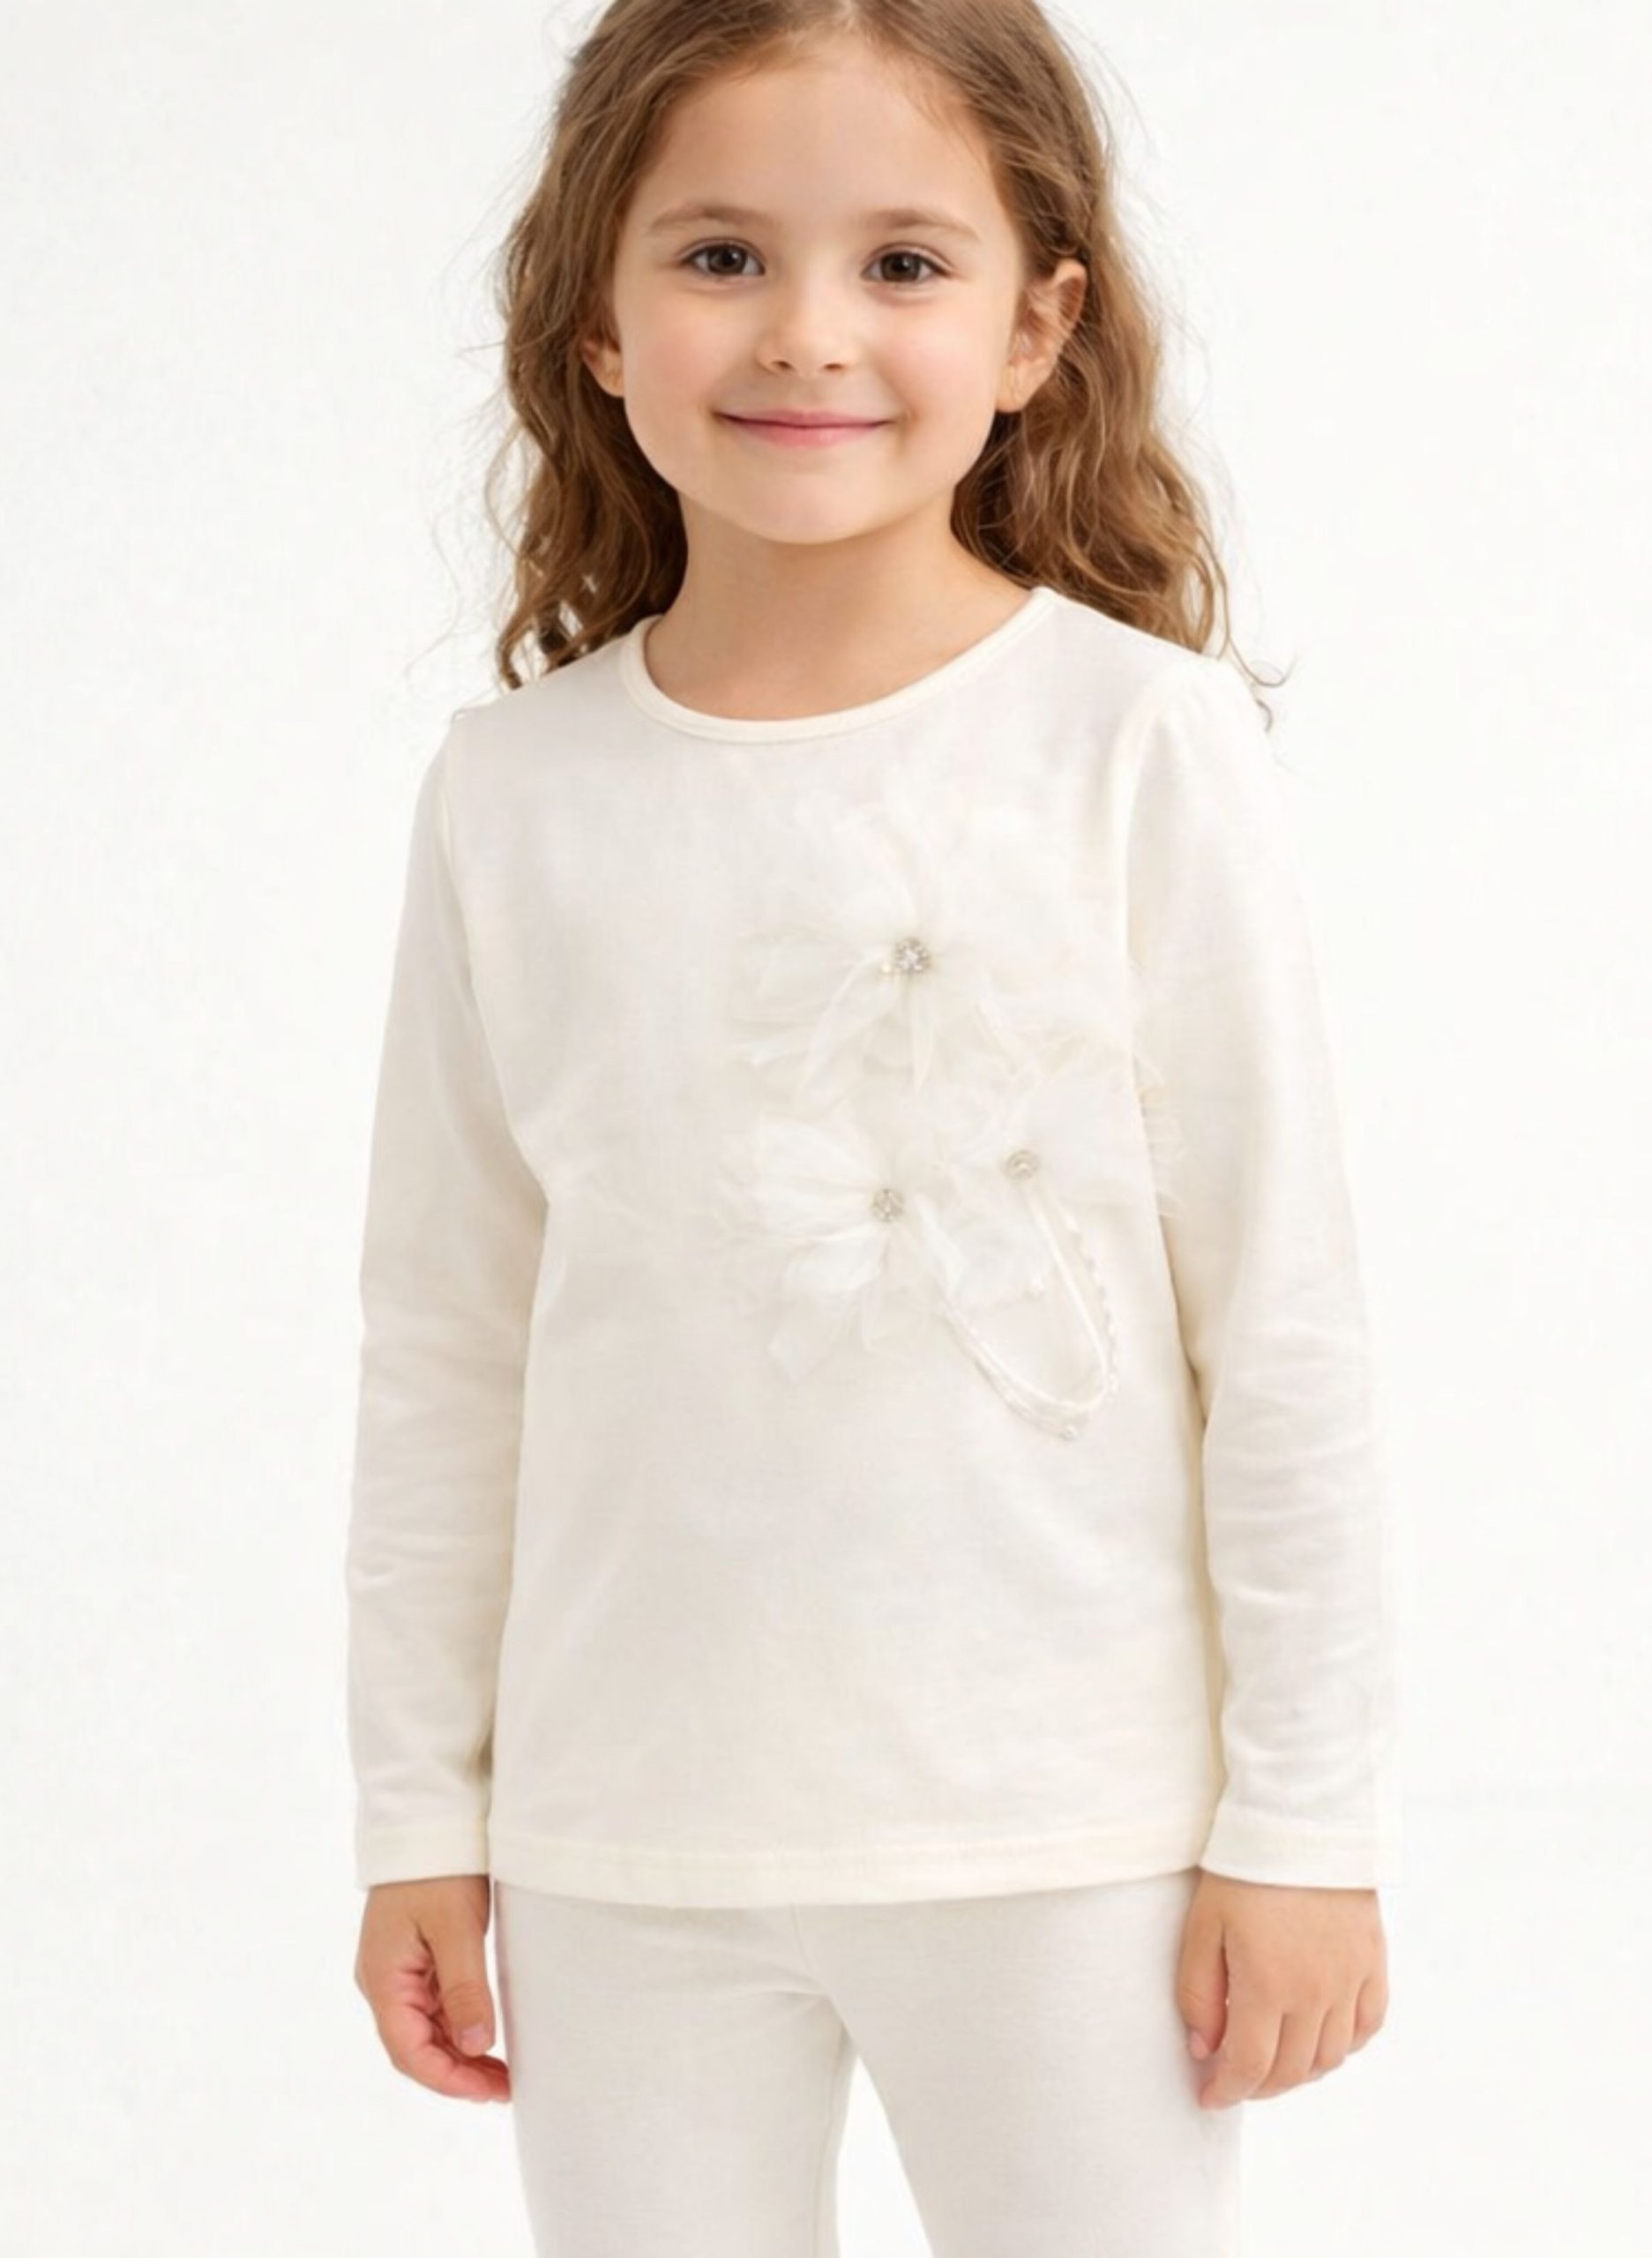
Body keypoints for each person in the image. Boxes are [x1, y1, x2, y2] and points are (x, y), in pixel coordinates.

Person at [344, 3, 1401, 2251]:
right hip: (625, 1841)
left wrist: (1302, 1827)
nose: (807, 331)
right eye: (720, 253)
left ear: (1036, 328)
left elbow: (1278, 1316)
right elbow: (446, 1338)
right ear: (596, 322)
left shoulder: (1135, 743)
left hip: (1064, 1835)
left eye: (902, 263)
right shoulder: (512, 794)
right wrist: (419, 1812)